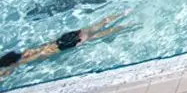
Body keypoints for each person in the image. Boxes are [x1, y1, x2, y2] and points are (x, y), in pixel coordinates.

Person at [0, 12, 131, 79]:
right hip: (62, 39)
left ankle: (126, 25)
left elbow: (14, 66)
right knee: (97, 25)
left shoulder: (25, 59)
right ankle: (124, 13)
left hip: (65, 45)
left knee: (98, 35)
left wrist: (6, 72)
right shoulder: (26, 52)